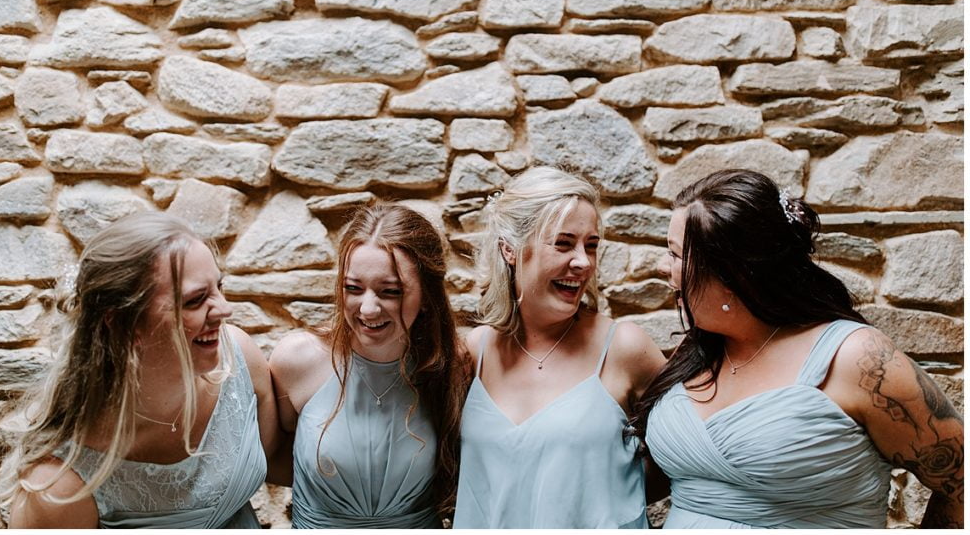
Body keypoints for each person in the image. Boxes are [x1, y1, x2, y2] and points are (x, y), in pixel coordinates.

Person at [636, 169, 963, 528]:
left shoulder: (857, 359)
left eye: (676, 254)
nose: (662, 266)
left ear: (733, 275)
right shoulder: (698, 351)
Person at [0, 211, 279, 528]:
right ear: (122, 323)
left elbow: (281, 458)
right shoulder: (59, 487)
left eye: (219, 286)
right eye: (196, 300)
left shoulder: (239, 360)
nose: (224, 309)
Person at [454, 166, 667, 528]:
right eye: (563, 243)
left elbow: (681, 455)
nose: (583, 262)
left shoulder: (625, 348)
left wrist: (606, 495)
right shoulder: (477, 351)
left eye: (592, 245)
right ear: (510, 250)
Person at [269, 203, 470, 528]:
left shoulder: (451, 366)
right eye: (353, 288)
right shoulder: (297, 360)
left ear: (427, 294)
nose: (369, 308)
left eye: (390, 292)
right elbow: (275, 457)